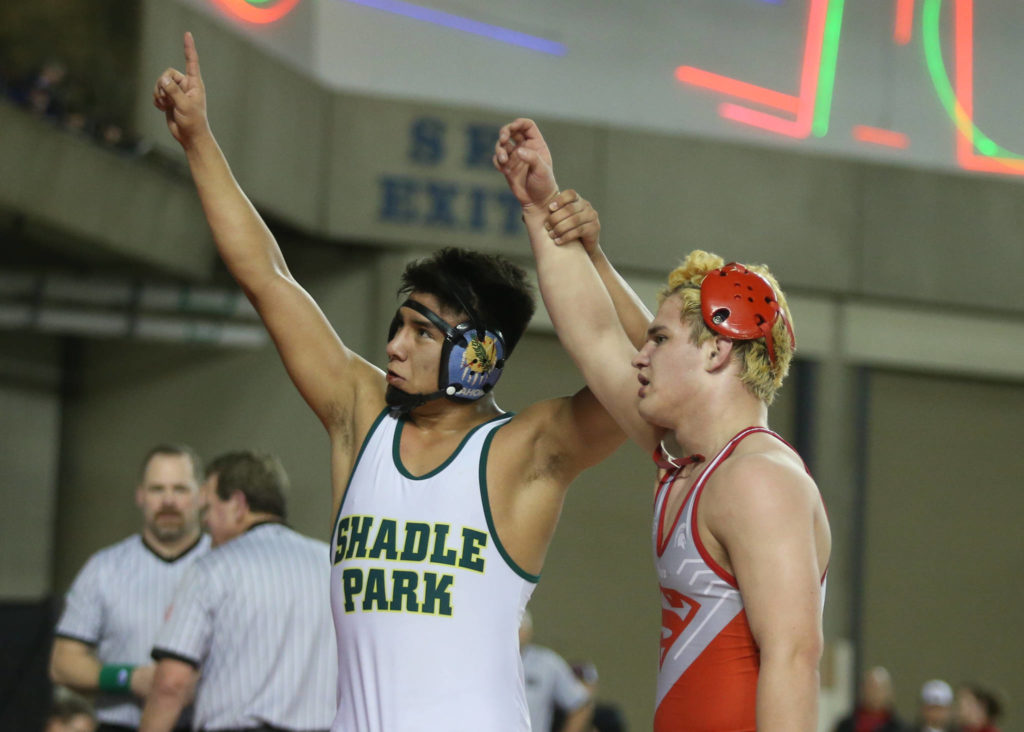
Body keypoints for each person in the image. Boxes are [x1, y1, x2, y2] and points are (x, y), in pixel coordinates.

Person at [153, 33, 623, 732]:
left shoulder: (527, 451)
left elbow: (642, 378)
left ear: (478, 356)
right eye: (399, 325)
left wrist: (581, 249)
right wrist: (197, 139)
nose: (394, 346)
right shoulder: (361, 413)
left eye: (422, 333)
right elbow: (267, 277)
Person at [494, 118, 831, 732]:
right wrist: (542, 208)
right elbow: (594, 336)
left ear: (715, 352)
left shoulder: (759, 480)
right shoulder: (684, 466)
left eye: (659, 339)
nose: (639, 355)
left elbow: (795, 657)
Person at [139, 451, 336, 732]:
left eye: (208, 508)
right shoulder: (333, 565)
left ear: (238, 505)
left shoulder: (212, 569)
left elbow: (172, 683)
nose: (205, 521)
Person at [50, 444, 209, 731]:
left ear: (201, 495)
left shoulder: (227, 565)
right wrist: (129, 678)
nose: (168, 501)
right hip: (121, 724)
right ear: (140, 496)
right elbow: (62, 663)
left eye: (180, 489)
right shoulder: (104, 568)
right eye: (157, 489)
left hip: (204, 723)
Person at [520, 610, 593, 732]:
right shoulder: (484, 661)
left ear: (529, 631)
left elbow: (580, 704)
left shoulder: (547, 663)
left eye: (520, 627)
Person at [833, 666, 907, 732]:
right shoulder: (846, 725)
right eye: (870, 687)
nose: (874, 693)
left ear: (889, 692)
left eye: (879, 689)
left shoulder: (900, 728)